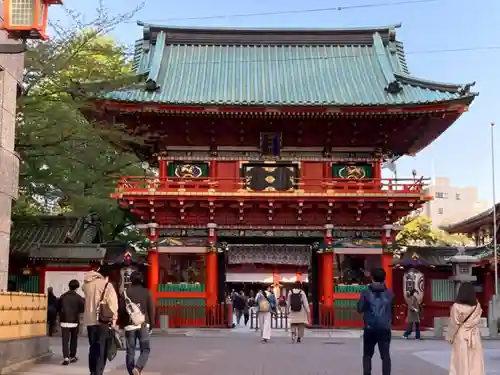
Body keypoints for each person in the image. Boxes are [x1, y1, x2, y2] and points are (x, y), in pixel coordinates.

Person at [357, 268, 393, 375]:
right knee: (385, 356)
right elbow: (392, 309)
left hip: (370, 327)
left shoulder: (366, 292)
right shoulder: (389, 293)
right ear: (384, 278)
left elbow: (360, 309)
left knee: (367, 355)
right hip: (385, 327)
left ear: (372, 278)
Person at [82, 267, 118, 375]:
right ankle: (99, 371)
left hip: (90, 320)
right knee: (102, 347)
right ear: (105, 276)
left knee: (93, 346)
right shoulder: (107, 285)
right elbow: (113, 305)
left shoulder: (86, 285)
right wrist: (114, 320)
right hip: (103, 321)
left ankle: (92, 370)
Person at [118, 271, 154, 375]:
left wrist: (122, 324)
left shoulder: (125, 293)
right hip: (143, 324)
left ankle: (131, 372)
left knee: (130, 351)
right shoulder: (147, 292)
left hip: (129, 326)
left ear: (131, 280)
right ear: (141, 280)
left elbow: (121, 310)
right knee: (145, 349)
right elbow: (151, 309)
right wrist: (151, 324)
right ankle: (138, 368)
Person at [445, 282, 484, 375]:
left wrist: (450, 337)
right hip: (474, 335)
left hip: (461, 336)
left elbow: (454, 324)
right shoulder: (477, 306)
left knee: (461, 362)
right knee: (474, 361)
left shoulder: (456, 306)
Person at [58, 279, 85, 365]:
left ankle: (66, 357)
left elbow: (58, 308)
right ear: (77, 288)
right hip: (74, 321)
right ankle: (72, 356)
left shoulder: (63, 296)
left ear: (69, 287)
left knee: (65, 340)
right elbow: (82, 309)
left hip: (64, 320)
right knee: (74, 339)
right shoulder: (79, 298)